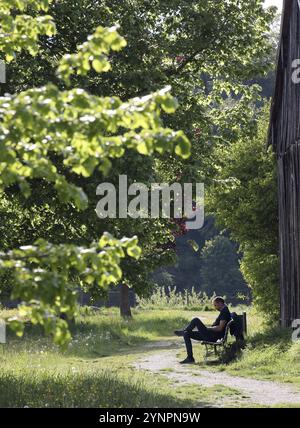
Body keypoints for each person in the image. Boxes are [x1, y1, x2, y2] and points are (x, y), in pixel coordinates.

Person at [174, 296, 231, 364]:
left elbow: (220, 328)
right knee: (186, 334)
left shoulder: (224, 312)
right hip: (211, 335)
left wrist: (208, 328)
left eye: (215, 305)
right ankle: (190, 358)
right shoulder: (224, 311)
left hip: (212, 337)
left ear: (220, 303)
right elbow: (219, 326)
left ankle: (183, 331)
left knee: (196, 320)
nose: (215, 307)